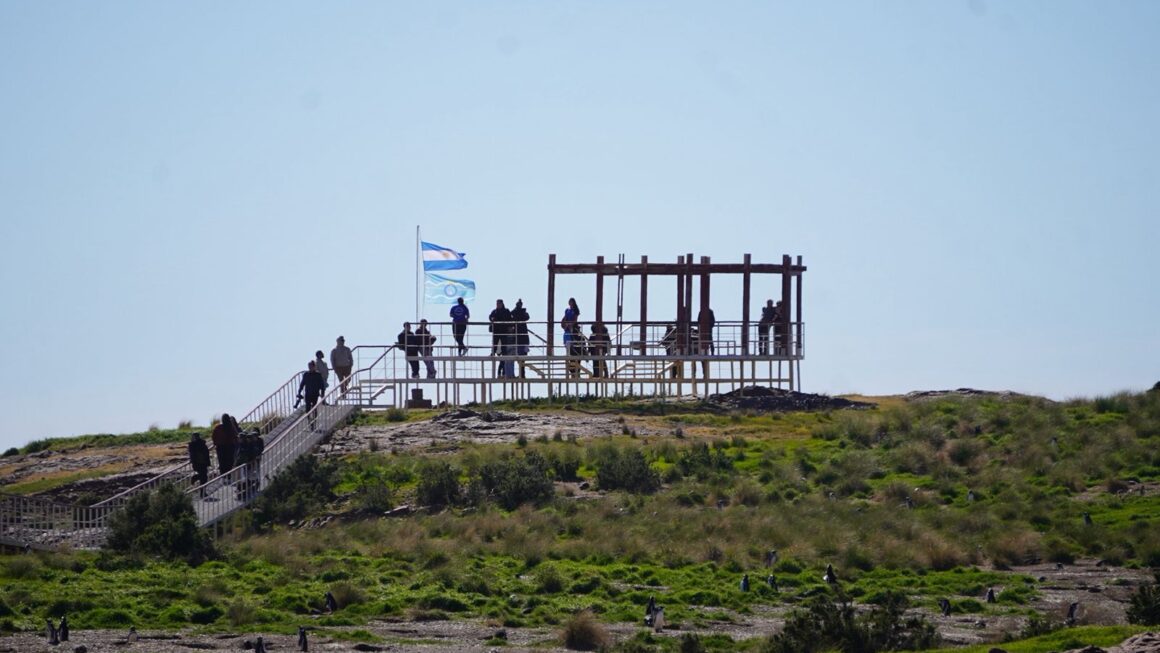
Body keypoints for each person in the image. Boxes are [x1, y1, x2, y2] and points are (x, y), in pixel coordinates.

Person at [297, 361, 325, 430]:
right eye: (309, 366)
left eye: (311, 366)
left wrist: (322, 393)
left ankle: (314, 421)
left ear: (314, 367)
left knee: (314, 408)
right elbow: (302, 384)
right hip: (308, 393)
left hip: (315, 394)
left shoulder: (318, 375)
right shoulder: (306, 374)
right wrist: (299, 391)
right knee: (308, 408)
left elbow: (322, 385)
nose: (310, 368)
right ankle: (310, 421)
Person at [489, 300, 513, 377]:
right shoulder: (494, 311)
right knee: (495, 343)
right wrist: (492, 319)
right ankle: (493, 352)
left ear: (502, 304)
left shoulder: (506, 311)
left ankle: (503, 353)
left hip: (503, 330)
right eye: (497, 304)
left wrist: (510, 327)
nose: (498, 305)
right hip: (496, 331)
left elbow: (510, 319)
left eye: (499, 304)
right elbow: (490, 317)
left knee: (504, 345)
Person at [511, 299, 530, 378]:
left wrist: (521, 310)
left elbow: (527, 317)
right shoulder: (518, 312)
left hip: (521, 337)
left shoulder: (520, 312)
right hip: (520, 337)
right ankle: (522, 373)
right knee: (520, 357)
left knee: (522, 357)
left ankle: (522, 373)